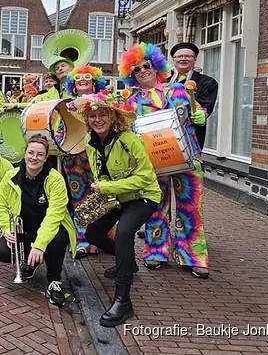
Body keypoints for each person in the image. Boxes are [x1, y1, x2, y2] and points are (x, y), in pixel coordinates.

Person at [69, 92, 161, 326]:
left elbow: (145, 177)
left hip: (143, 196)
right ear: (87, 120)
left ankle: (123, 301)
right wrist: (102, 192)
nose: (97, 120)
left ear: (111, 117)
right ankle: (127, 262)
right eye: (92, 116)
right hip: (118, 197)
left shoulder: (130, 140)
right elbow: (100, 173)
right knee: (92, 234)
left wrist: (109, 186)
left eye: (102, 115)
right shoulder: (91, 143)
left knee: (124, 233)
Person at [119, 42, 210, 278]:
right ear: (131, 75)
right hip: (154, 165)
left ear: (155, 65)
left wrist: (200, 115)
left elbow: (198, 111)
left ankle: (193, 256)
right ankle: (156, 252)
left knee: (191, 209)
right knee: (155, 208)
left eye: (146, 66)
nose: (142, 71)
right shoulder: (131, 103)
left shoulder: (179, 90)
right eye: (136, 70)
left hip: (188, 159)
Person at [0, 134, 77, 307]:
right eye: (31, 152)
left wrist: (39, 245)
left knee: (59, 238)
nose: (34, 157)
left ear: (46, 158)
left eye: (40, 154)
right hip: (23, 227)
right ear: (25, 153)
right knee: (3, 251)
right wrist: (7, 229)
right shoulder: (11, 176)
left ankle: (54, 279)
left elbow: (54, 215)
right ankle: (29, 265)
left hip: (49, 228)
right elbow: (0, 205)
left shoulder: (55, 180)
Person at [62, 65, 109, 258]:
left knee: (104, 196)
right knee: (79, 199)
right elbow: (60, 129)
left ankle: (103, 238)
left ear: (94, 81)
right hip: (74, 157)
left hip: (99, 155)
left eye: (87, 76)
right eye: (78, 77)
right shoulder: (67, 105)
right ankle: (82, 240)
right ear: (73, 83)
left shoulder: (104, 101)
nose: (82, 79)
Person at [168, 42, 219, 149]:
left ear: (195, 60)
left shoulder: (208, 82)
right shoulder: (164, 82)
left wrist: (201, 114)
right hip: (165, 134)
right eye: (179, 56)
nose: (183, 59)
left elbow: (205, 107)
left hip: (192, 134)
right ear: (174, 60)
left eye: (188, 56)